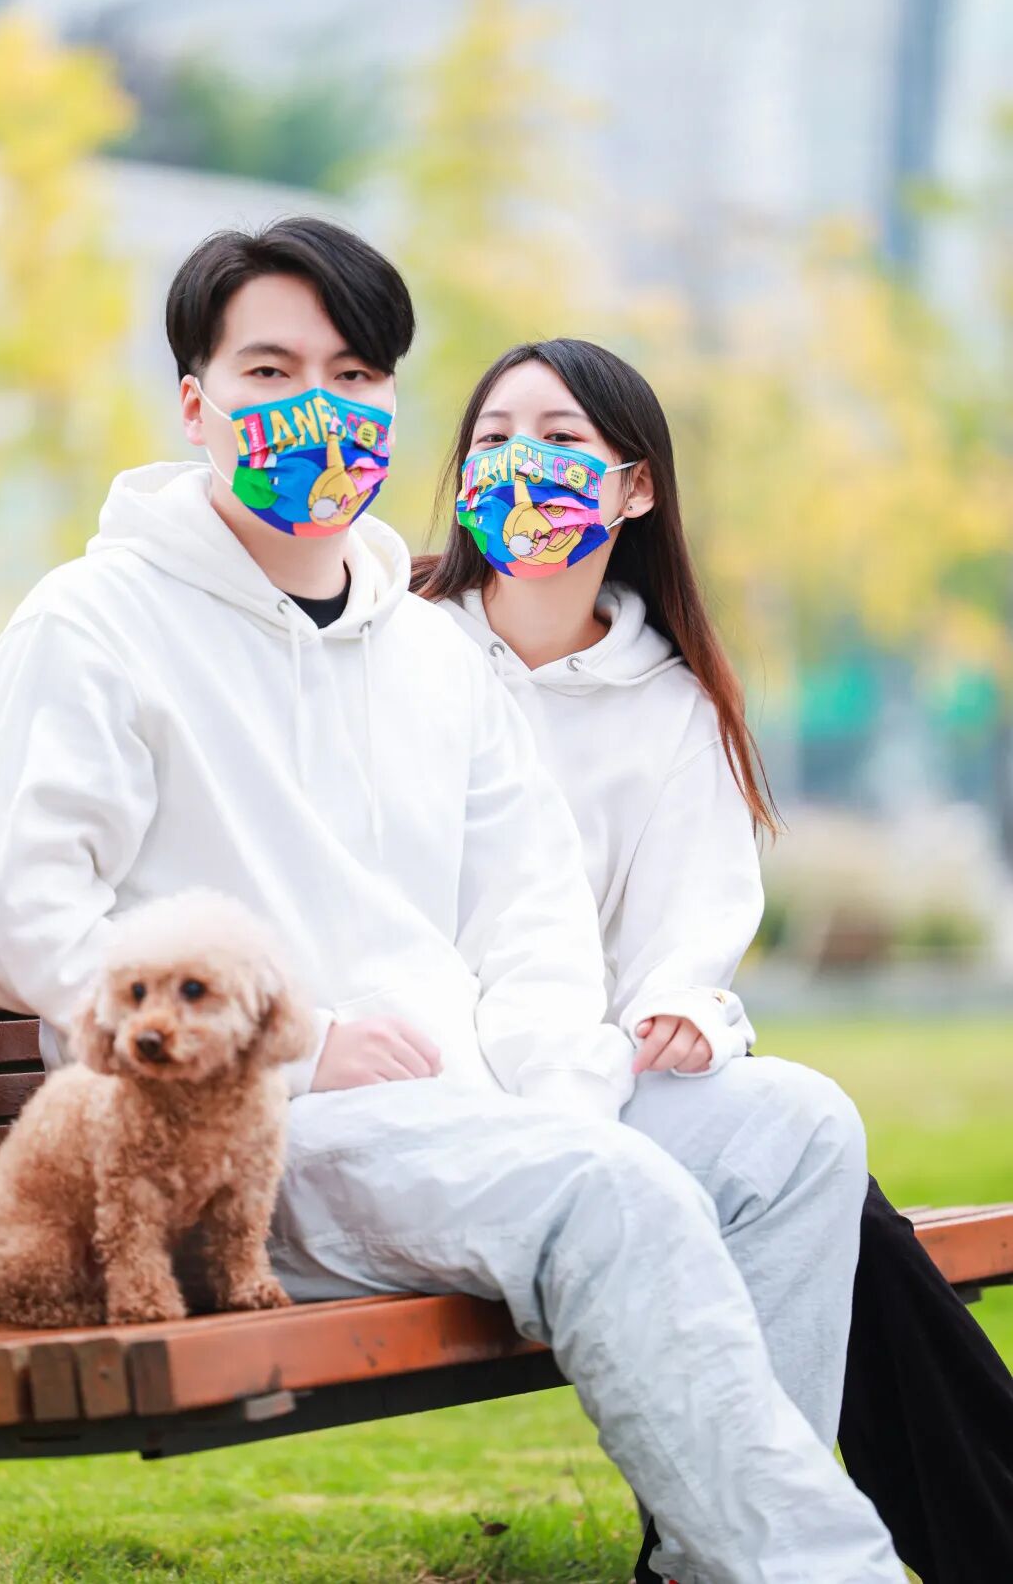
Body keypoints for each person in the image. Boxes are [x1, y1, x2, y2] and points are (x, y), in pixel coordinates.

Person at [0, 218, 904, 1584]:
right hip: (244, 1140)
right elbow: (29, 924)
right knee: (600, 1191)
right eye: (272, 370)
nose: (319, 409)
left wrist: (558, 1098)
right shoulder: (93, 622)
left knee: (794, 1127)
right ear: (194, 402)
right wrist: (301, 1042)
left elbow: (533, 916)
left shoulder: (426, 648)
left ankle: (719, 1560)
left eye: (354, 377)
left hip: (464, 1112)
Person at [413, 334, 1013, 1583]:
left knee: (798, 1133)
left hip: (590, 1082)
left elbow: (687, 932)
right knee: (842, 1213)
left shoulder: (673, 704)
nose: (520, 465)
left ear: (636, 487)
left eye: (561, 440)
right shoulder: (397, 653)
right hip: (418, 1092)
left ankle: (723, 1551)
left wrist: (681, 1013)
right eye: (493, 440)